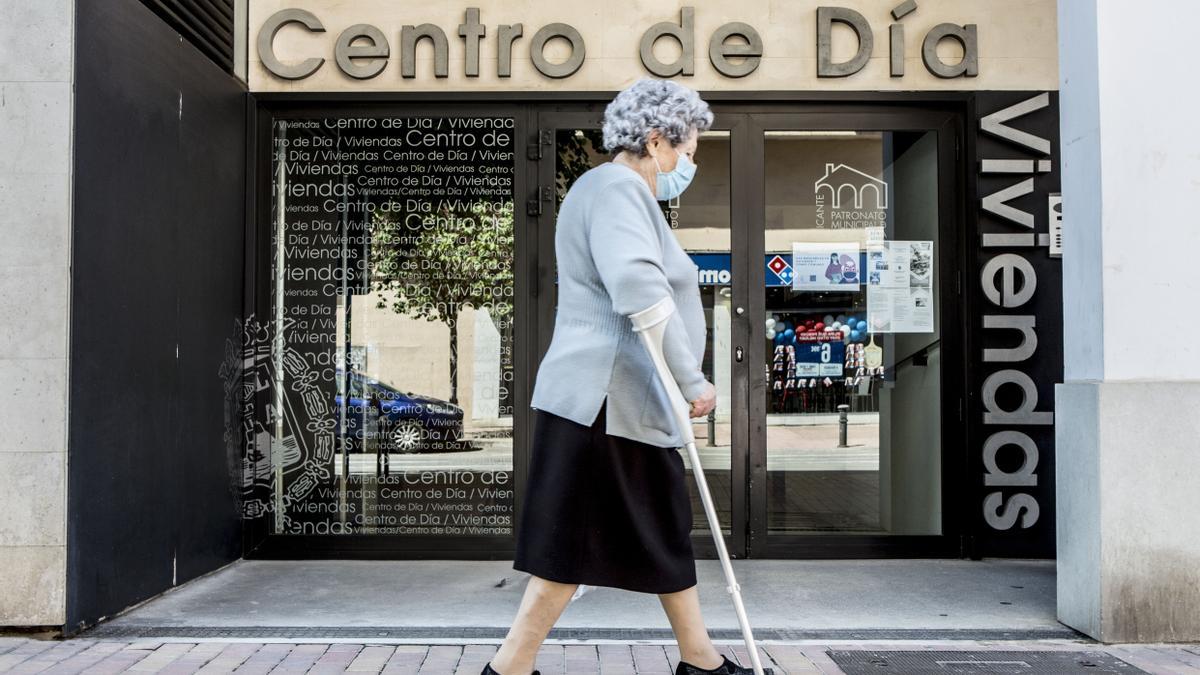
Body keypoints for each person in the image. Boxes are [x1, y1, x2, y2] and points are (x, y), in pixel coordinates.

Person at [481, 78, 764, 675]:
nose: (689, 164)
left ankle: (700, 660)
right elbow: (638, 286)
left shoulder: (614, 193)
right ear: (657, 140)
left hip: (623, 401)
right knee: (573, 546)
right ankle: (509, 668)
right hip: (606, 401)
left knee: (659, 528)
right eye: (687, 152)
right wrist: (692, 380)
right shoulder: (615, 189)